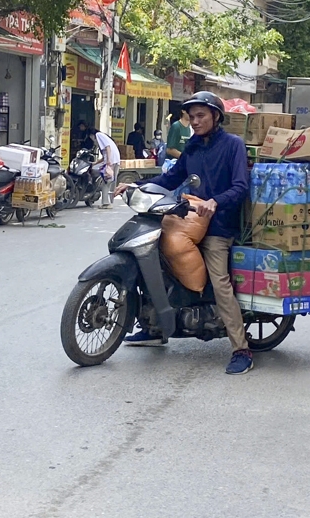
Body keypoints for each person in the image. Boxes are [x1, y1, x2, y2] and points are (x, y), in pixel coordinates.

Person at [114, 91, 253, 375]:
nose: (195, 121)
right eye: (192, 117)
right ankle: (154, 326)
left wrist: (217, 201)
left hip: (219, 225)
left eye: (201, 115)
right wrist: (136, 185)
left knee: (220, 281)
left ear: (216, 116)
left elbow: (241, 186)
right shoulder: (192, 147)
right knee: (153, 258)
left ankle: (241, 348)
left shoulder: (233, 145)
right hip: (187, 219)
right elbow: (171, 178)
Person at [88, 127, 121, 208]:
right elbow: (104, 155)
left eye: (91, 138)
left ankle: (106, 203)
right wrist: (95, 163)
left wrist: (109, 161)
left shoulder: (98, 135)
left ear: (92, 135)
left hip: (112, 161)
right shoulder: (103, 136)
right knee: (109, 182)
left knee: (106, 182)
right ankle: (109, 202)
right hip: (115, 161)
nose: (93, 140)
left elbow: (108, 147)